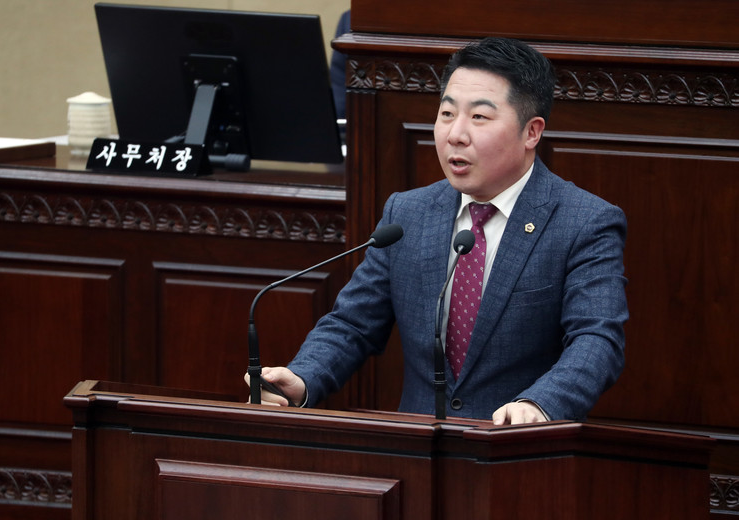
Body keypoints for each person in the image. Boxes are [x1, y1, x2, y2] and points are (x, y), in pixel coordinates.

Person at [245, 37, 628, 425]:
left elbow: (597, 340)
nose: (455, 134)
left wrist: (540, 405)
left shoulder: (583, 222)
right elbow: (353, 324)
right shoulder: (408, 214)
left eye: (479, 117)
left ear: (531, 132)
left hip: (516, 448)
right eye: (447, 113)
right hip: (417, 448)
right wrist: (302, 378)